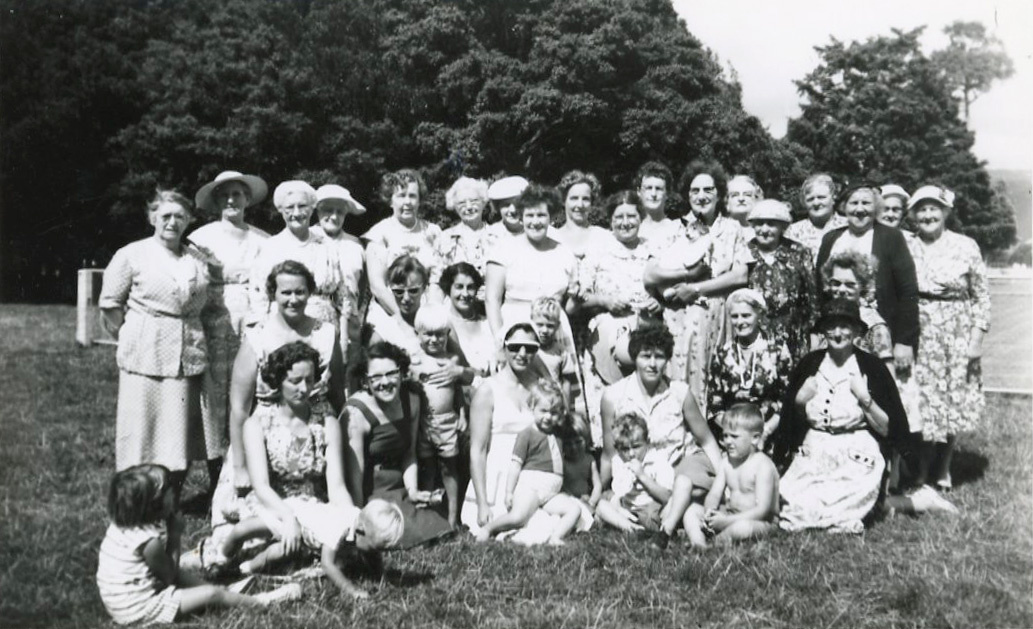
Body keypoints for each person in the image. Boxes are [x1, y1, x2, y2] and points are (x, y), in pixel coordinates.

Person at [211, 261, 344, 526]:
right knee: (241, 514)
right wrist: (240, 467)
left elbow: (338, 393)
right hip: (266, 431)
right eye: (286, 292)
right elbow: (239, 408)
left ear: (310, 292)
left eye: (300, 292)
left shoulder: (326, 334)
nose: (293, 299)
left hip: (315, 426)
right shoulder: (258, 336)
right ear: (273, 294)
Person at [100, 190, 216, 495]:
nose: (172, 222)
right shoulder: (131, 254)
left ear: (189, 220)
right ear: (152, 218)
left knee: (177, 432)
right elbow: (110, 304)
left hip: (187, 354)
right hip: (145, 354)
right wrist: (132, 333)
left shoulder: (196, 259)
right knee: (141, 429)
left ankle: (169, 496)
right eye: (165, 216)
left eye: (179, 216)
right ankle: (134, 497)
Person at [772, 299, 913, 534]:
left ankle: (914, 502)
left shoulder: (872, 367)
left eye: (845, 326)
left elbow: (889, 428)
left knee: (842, 512)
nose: (837, 334)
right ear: (823, 330)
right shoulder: (810, 364)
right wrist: (800, 401)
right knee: (794, 509)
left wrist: (865, 398)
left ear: (857, 330)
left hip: (855, 450)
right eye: (831, 327)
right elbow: (791, 423)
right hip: (816, 449)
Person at [97, 464, 299, 626]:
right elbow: (169, 575)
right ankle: (261, 601)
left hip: (120, 601)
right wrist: (175, 534)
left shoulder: (124, 526)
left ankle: (227, 592)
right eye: (169, 491)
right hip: (139, 609)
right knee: (212, 595)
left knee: (188, 578)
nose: (174, 493)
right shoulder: (148, 542)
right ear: (154, 505)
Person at [598, 325, 721, 548]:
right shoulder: (614, 396)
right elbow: (609, 453)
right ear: (635, 357)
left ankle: (671, 522)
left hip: (680, 467)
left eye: (660, 356)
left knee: (687, 485)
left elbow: (707, 440)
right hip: (641, 474)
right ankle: (681, 517)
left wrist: (725, 482)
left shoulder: (679, 392)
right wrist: (602, 491)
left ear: (668, 359)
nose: (653, 364)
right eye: (646, 356)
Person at [905, 185, 990, 495]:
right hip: (919, 331)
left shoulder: (966, 245)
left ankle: (943, 467)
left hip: (956, 332)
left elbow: (981, 296)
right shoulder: (907, 245)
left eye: (934, 208)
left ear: (945, 212)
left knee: (952, 399)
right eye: (921, 209)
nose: (928, 215)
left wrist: (976, 341)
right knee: (922, 400)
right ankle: (922, 466)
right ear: (913, 215)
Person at [645, 160, 749, 408]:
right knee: (680, 384)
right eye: (695, 191)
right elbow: (650, 276)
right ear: (687, 195)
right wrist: (686, 273)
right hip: (679, 319)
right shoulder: (673, 229)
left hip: (719, 318)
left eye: (708, 190)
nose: (701, 196)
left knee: (718, 383)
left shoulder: (732, 229)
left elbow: (740, 275)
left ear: (719, 194)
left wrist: (696, 288)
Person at [190, 171, 270, 481]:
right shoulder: (201, 238)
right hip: (213, 317)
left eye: (237, 194)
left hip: (251, 317)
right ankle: (217, 472)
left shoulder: (262, 240)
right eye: (224, 195)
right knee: (215, 393)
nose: (231, 200)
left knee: (249, 388)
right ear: (216, 201)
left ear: (247, 199)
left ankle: (251, 465)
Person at [465, 324, 574, 543]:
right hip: (498, 478)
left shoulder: (539, 388)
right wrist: (482, 503)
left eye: (530, 348)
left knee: (553, 521)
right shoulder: (487, 390)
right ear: (503, 348)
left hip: (532, 473)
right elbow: (478, 451)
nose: (522, 354)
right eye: (515, 346)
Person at [344, 342, 454, 548]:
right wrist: (358, 515)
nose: (385, 382)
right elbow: (354, 475)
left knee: (438, 528)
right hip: (370, 489)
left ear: (402, 373)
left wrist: (412, 491)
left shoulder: (412, 400)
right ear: (365, 381)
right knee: (395, 531)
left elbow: (409, 453)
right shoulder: (355, 413)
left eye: (391, 374)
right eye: (376, 377)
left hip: (399, 485)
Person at [816, 182, 920, 378]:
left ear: (877, 207)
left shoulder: (891, 237)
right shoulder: (831, 238)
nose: (860, 209)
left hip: (879, 333)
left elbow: (908, 291)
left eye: (866, 203)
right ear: (844, 207)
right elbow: (820, 289)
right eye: (854, 203)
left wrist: (904, 341)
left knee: (880, 385)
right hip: (837, 330)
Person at [578, 190, 664, 409]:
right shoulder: (598, 250)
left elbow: (665, 292)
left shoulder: (653, 250)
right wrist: (604, 301)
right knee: (610, 406)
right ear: (610, 220)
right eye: (619, 217)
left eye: (631, 216)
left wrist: (658, 303)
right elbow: (580, 298)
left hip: (646, 335)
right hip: (605, 339)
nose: (625, 223)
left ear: (641, 218)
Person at [475, 380, 583, 545]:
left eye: (554, 412)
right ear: (532, 408)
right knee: (518, 516)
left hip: (551, 493)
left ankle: (556, 537)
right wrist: (509, 492)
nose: (548, 417)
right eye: (543, 411)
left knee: (574, 510)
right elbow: (515, 465)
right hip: (532, 486)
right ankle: (489, 528)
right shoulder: (527, 434)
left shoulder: (558, 433)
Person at [230, 498, 403, 601]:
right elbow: (327, 564)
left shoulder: (363, 522)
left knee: (285, 552)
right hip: (294, 518)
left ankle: (246, 564)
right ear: (360, 530)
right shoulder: (339, 528)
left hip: (310, 535)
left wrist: (382, 577)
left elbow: (374, 557)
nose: (376, 553)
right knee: (275, 550)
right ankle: (245, 566)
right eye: (375, 547)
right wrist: (351, 590)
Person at [484, 184, 579, 350]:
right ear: (521, 217)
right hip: (513, 330)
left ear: (551, 217)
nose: (535, 222)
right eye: (529, 215)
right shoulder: (503, 250)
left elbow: (570, 306)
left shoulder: (564, 253)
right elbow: (492, 300)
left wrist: (577, 298)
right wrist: (500, 340)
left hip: (554, 331)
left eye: (541, 215)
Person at [247, 181, 347, 333]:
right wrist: (260, 330)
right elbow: (258, 294)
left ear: (312, 208)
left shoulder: (326, 246)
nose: (296, 213)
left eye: (302, 206)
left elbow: (341, 297)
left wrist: (344, 335)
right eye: (289, 207)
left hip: (324, 328)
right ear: (281, 210)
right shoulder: (270, 247)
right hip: (283, 327)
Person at [706, 289, 792, 445]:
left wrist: (765, 432)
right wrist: (735, 435)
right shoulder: (722, 353)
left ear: (759, 315)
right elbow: (714, 406)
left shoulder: (777, 349)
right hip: (731, 437)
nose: (740, 322)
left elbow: (787, 400)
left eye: (746, 315)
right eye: (735, 316)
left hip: (769, 436)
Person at [411, 305, 468, 527]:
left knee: (449, 468)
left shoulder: (451, 360)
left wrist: (462, 414)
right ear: (418, 334)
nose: (434, 340)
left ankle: (453, 516)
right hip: (423, 423)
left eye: (439, 335)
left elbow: (458, 391)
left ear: (447, 334)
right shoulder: (414, 361)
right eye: (428, 334)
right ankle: (430, 517)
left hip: (446, 422)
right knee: (427, 468)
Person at [364, 169, 444, 321]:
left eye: (412, 196)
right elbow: (378, 287)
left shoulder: (434, 232)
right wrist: (403, 320)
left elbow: (437, 280)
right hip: (389, 313)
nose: (407, 202)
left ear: (419, 200)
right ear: (390, 200)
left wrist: (429, 316)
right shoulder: (379, 234)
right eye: (401, 196)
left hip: (427, 310)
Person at [745, 199, 818, 363]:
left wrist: (814, 333)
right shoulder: (745, 251)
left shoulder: (798, 252)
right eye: (759, 223)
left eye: (771, 224)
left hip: (793, 334)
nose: (764, 229)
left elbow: (812, 296)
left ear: (782, 227)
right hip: (754, 334)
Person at [698, 403, 779, 545]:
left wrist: (726, 521)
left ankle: (715, 542)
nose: (728, 441)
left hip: (761, 521)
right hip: (732, 515)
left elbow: (762, 510)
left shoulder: (763, 465)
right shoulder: (726, 463)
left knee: (742, 528)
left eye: (734, 436)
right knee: (693, 510)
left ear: (755, 438)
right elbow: (714, 494)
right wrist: (709, 511)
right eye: (725, 436)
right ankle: (698, 541)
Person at [311, 184, 368, 362]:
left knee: (348, 369)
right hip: (314, 322)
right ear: (317, 210)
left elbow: (363, 287)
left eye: (340, 212)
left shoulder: (355, 245)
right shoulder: (307, 239)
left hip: (350, 322)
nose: (334, 216)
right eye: (328, 210)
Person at [595, 412, 674, 533]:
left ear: (648, 442)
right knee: (602, 505)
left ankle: (630, 526)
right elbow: (619, 492)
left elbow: (667, 497)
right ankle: (631, 527)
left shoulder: (657, 461)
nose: (631, 454)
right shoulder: (618, 460)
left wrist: (642, 476)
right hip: (627, 507)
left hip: (650, 508)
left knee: (665, 510)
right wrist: (619, 508)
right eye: (625, 449)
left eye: (636, 447)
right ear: (617, 449)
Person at [441, 262, 495, 376]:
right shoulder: (442, 322)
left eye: (470, 288)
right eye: (459, 287)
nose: (465, 294)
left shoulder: (487, 323)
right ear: (448, 288)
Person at [529, 296, 580, 407]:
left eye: (550, 326)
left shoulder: (561, 351)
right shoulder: (527, 349)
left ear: (557, 326)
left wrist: (566, 409)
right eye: (539, 325)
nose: (544, 330)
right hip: (530, 403)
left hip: (553, 405)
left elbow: (566, 383)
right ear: (531, 322)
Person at [437, 177, 493, 275]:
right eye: (461, 203)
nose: (469, 207)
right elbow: (438, 275)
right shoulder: (444, 238)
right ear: (454, 207)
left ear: (483, 202)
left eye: (474, 201)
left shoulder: (497, 235)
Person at [785, 173, 846, 259]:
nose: (816, 203)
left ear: (833, 198)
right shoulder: (793, 232)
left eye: (821, 197)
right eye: (810, 199)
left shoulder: (848, 226)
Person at [551, 170, 611, 258]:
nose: (580, 205)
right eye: (574, 198)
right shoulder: (553, 238)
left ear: (591, 202)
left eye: (585, 199)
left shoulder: (603, 237)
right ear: (564, 201)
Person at [634, 161, 680, 245]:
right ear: (639, 191)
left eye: (658, 189)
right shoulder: (632, 229)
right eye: (648, 188)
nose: (653, 194)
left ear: (667, 193)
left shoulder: (676, 230)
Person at [484, 175, 529, 243]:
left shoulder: (539, 231)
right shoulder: (489, 235)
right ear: (498, 207)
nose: (512, 210)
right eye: (506, 205)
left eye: (517, 204)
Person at [726, 174, 763, 238]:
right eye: (735, 195)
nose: (741, 199)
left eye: (747, 195)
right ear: (726, 203)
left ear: (757, 200)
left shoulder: (764, 234)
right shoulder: (715, 232)